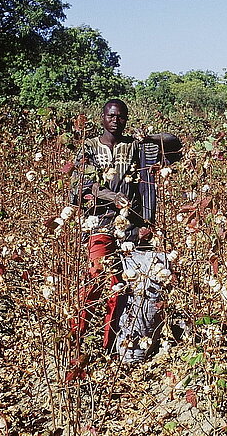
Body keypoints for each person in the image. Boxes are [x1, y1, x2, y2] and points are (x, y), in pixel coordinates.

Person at [71, 98, 181, 352]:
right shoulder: (88, 148)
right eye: (111, 116)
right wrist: (112, 197)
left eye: (120, 117)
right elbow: (81, 186)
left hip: (132, 228)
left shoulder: (135, 147)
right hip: (100, 224)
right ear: (102, 117)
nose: (115, 120)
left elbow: (173, 145)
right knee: (97, 279)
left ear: (125, 119)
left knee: (125, 288)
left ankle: (111, 346)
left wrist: (148, 137)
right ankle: (75, 340)